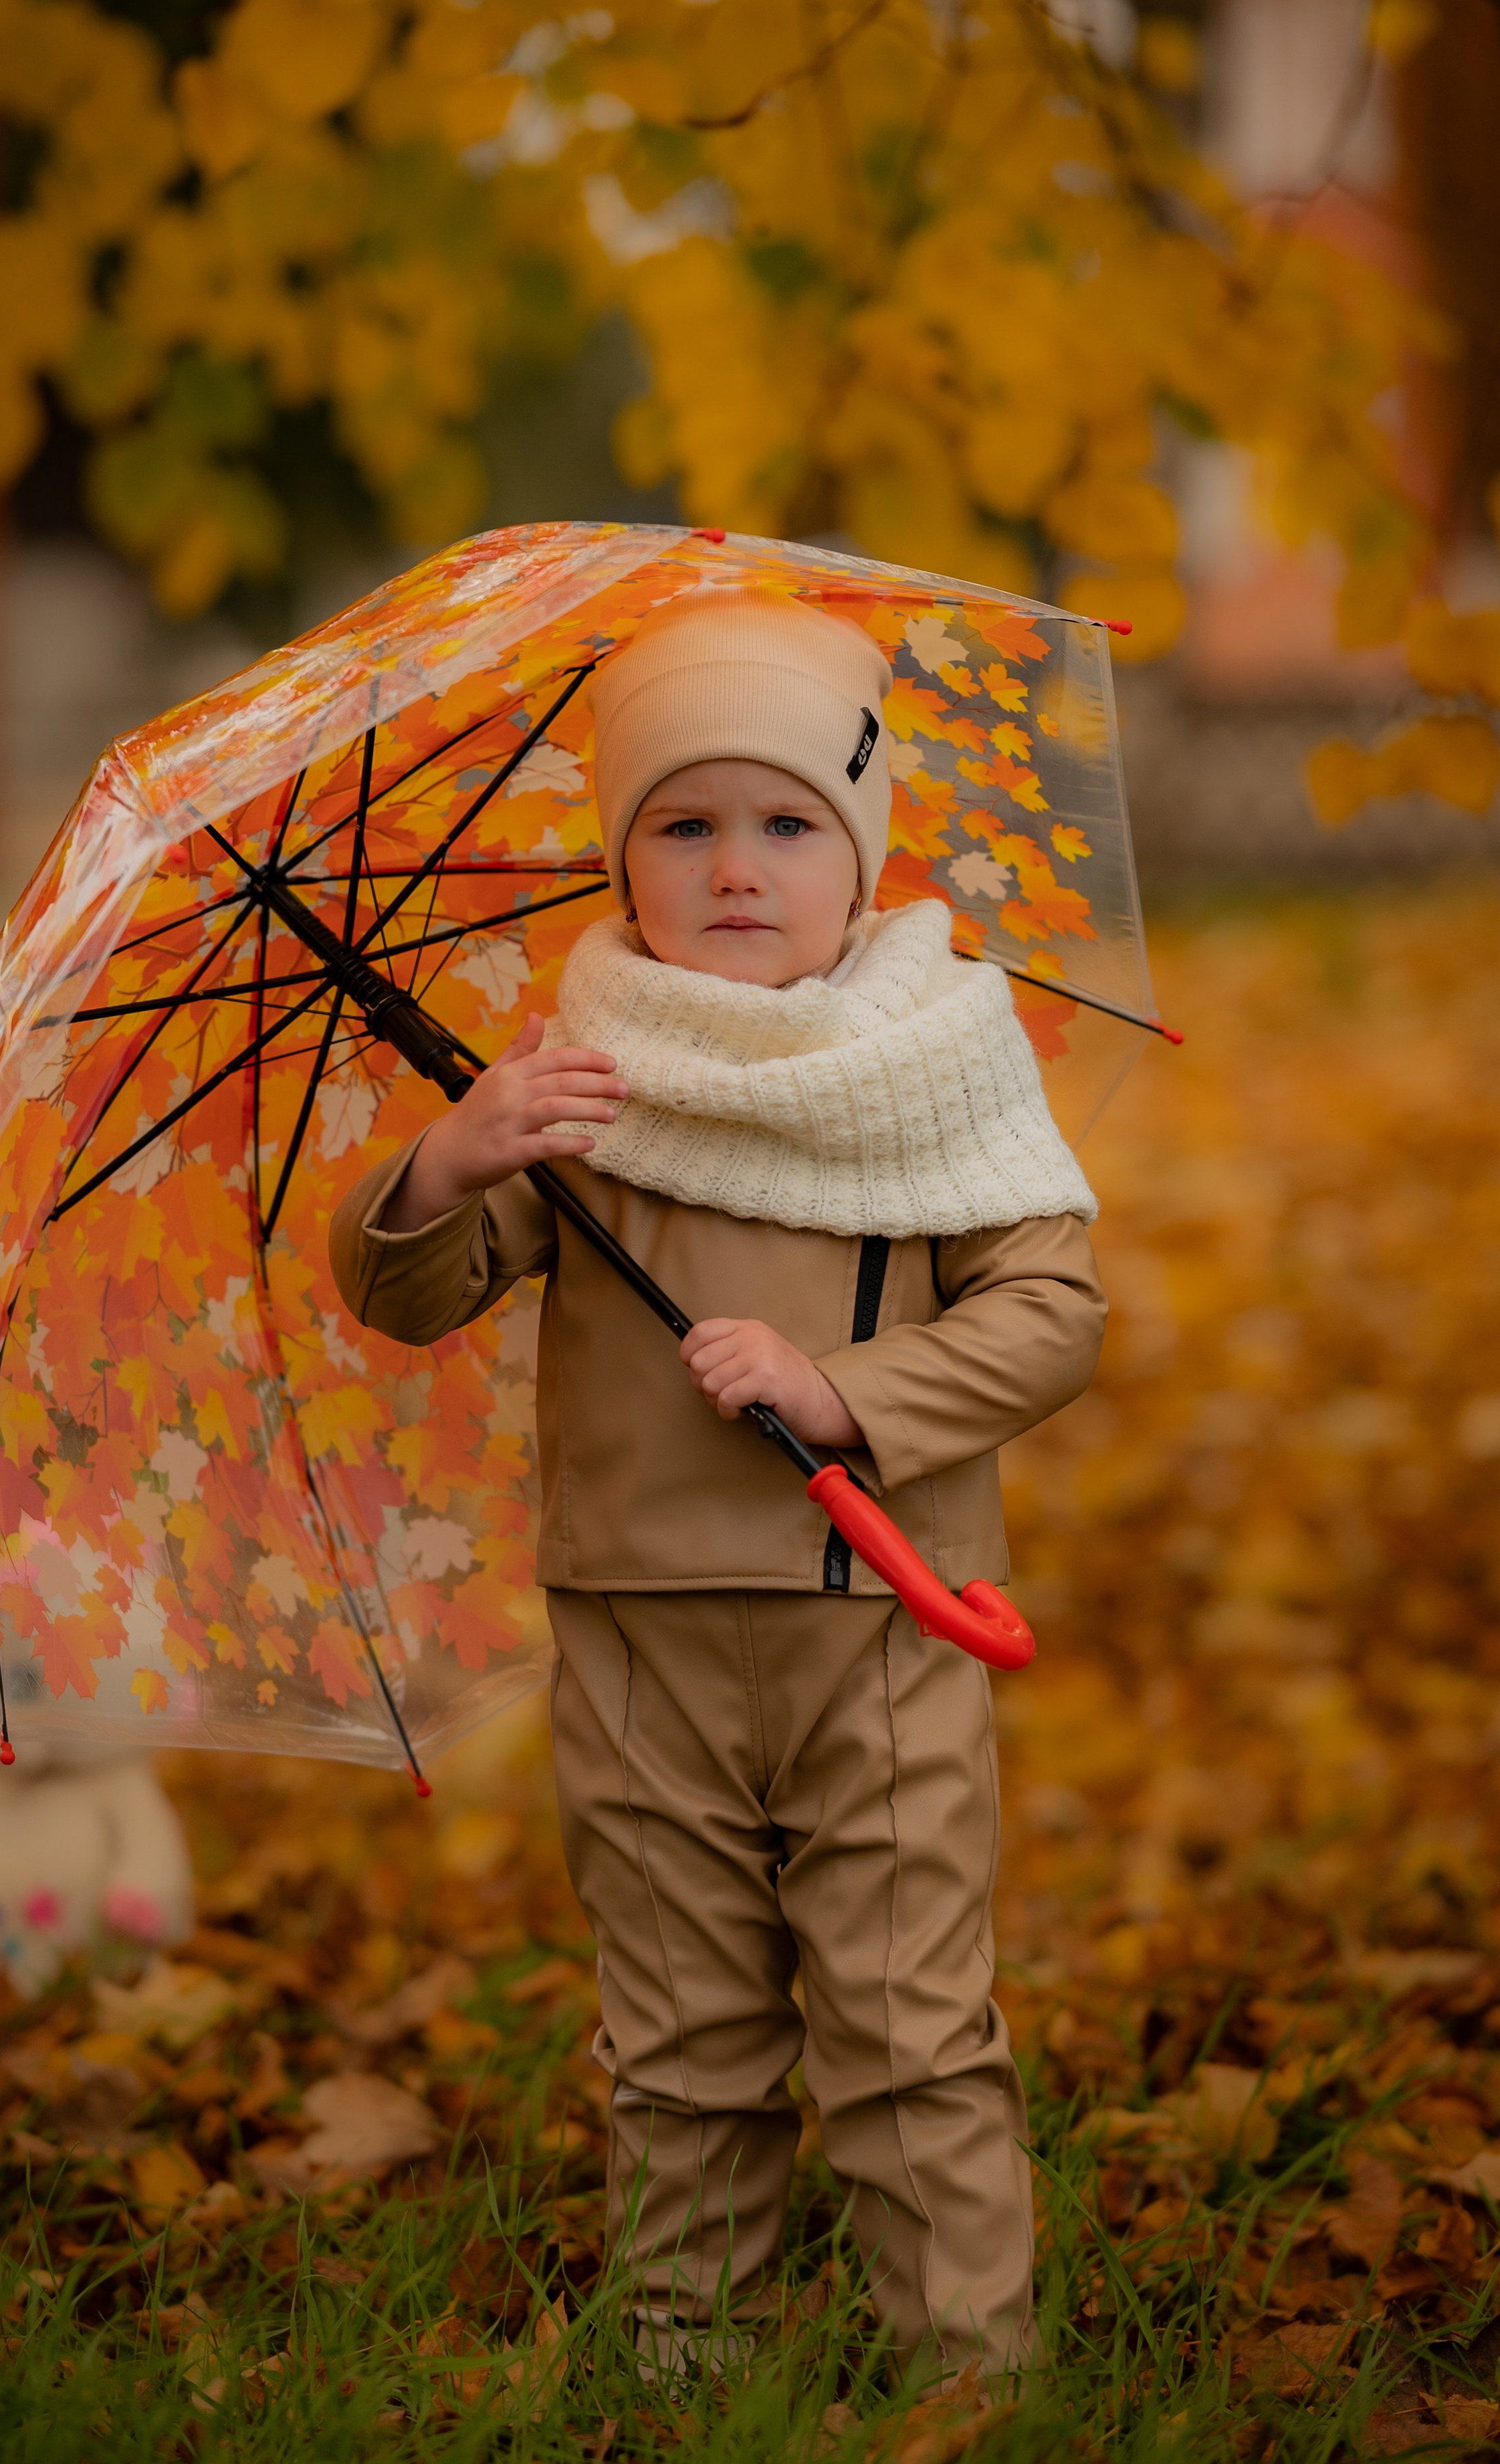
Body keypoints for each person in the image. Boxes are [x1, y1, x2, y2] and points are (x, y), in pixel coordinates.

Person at [330, 587, 1106, 2382]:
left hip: (881, 1620)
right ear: (624, 868)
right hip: (641, 1626)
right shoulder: (581, 1087)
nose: (736, 868)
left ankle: (967, 2367)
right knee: (676, 2018)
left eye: (784, 826)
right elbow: (410, 1292)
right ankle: (697, 2355)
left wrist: (843, 1390)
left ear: (859, 854)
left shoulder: (932, 1072)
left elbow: (1052, 1316)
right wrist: (453, 1158)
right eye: (683, 826)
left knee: (905, 2014)